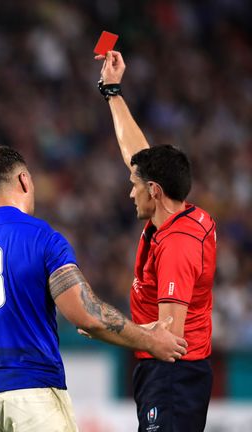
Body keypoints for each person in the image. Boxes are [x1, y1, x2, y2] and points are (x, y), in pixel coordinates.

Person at [0, 146, 188, 432]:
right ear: (24, 181)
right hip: (33, 393)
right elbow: (87, 316)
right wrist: (151, 340)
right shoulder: (44, 239)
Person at [96, 50, 216, 432]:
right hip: (173, 377)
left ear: (155, 191)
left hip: (172, 377)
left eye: (135, 187)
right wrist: (112, 92)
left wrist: (104, 324)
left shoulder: (177, 247)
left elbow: (169, 339)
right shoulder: (184, 214)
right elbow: (137, 157)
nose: (130, 194)